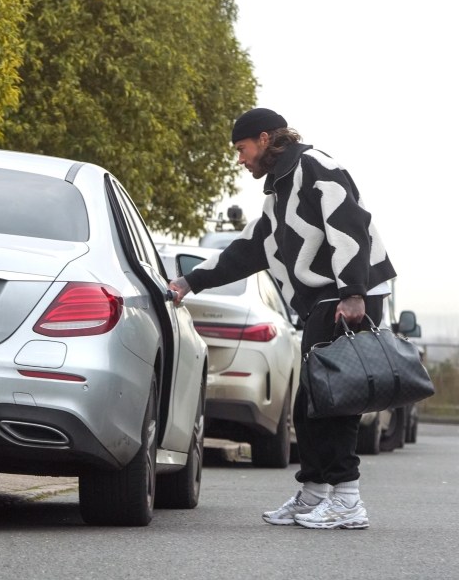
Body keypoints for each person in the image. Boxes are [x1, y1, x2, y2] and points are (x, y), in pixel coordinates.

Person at [168, 107, 396, 530]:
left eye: (242, 148)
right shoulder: (280, 190)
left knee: (335, 399)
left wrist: (352, 292)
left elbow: (350, 224)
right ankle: (315, 493)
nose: (239, 159)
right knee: (310, 401)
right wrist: (189, 282)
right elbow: (251, 248)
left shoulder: (315, 166)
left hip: (346, 296)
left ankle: (347, 500)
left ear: (267, 138)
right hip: (328, 298)